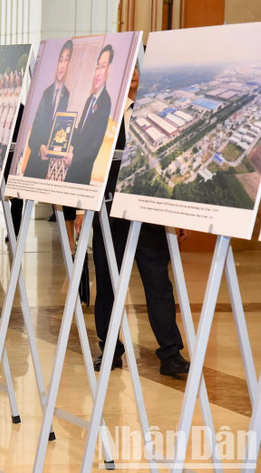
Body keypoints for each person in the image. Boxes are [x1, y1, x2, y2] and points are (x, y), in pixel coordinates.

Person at [91, 65, 190, 376]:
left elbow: (168, 162)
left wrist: (177, 211)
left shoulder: (153, 111)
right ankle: (109, 351)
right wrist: (82, 212)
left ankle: (171, 354)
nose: (132, 73)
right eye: (127, 67)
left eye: (137, 68)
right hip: (109, 212)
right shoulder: (101, 112)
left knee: (158, 283)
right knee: (107, 283)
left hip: (148, 214)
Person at [64, 44, 114, 185]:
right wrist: (63, 131)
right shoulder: (89, 99)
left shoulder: (105, 102)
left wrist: (75, 158)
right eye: (97, 67)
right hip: (73, 169)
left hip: (82, 172)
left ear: (108, 69)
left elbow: (94, 147)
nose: (98, 72)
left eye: (103, 67)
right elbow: (80, 134)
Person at [23, 40, 72, 180]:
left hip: (55, 167)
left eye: (66, 60)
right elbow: (35, 131)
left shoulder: (67, 96)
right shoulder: (46, 93)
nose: (62, 65)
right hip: (36, 162)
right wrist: (40, 147)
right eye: (60, 60)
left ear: (70, 65)